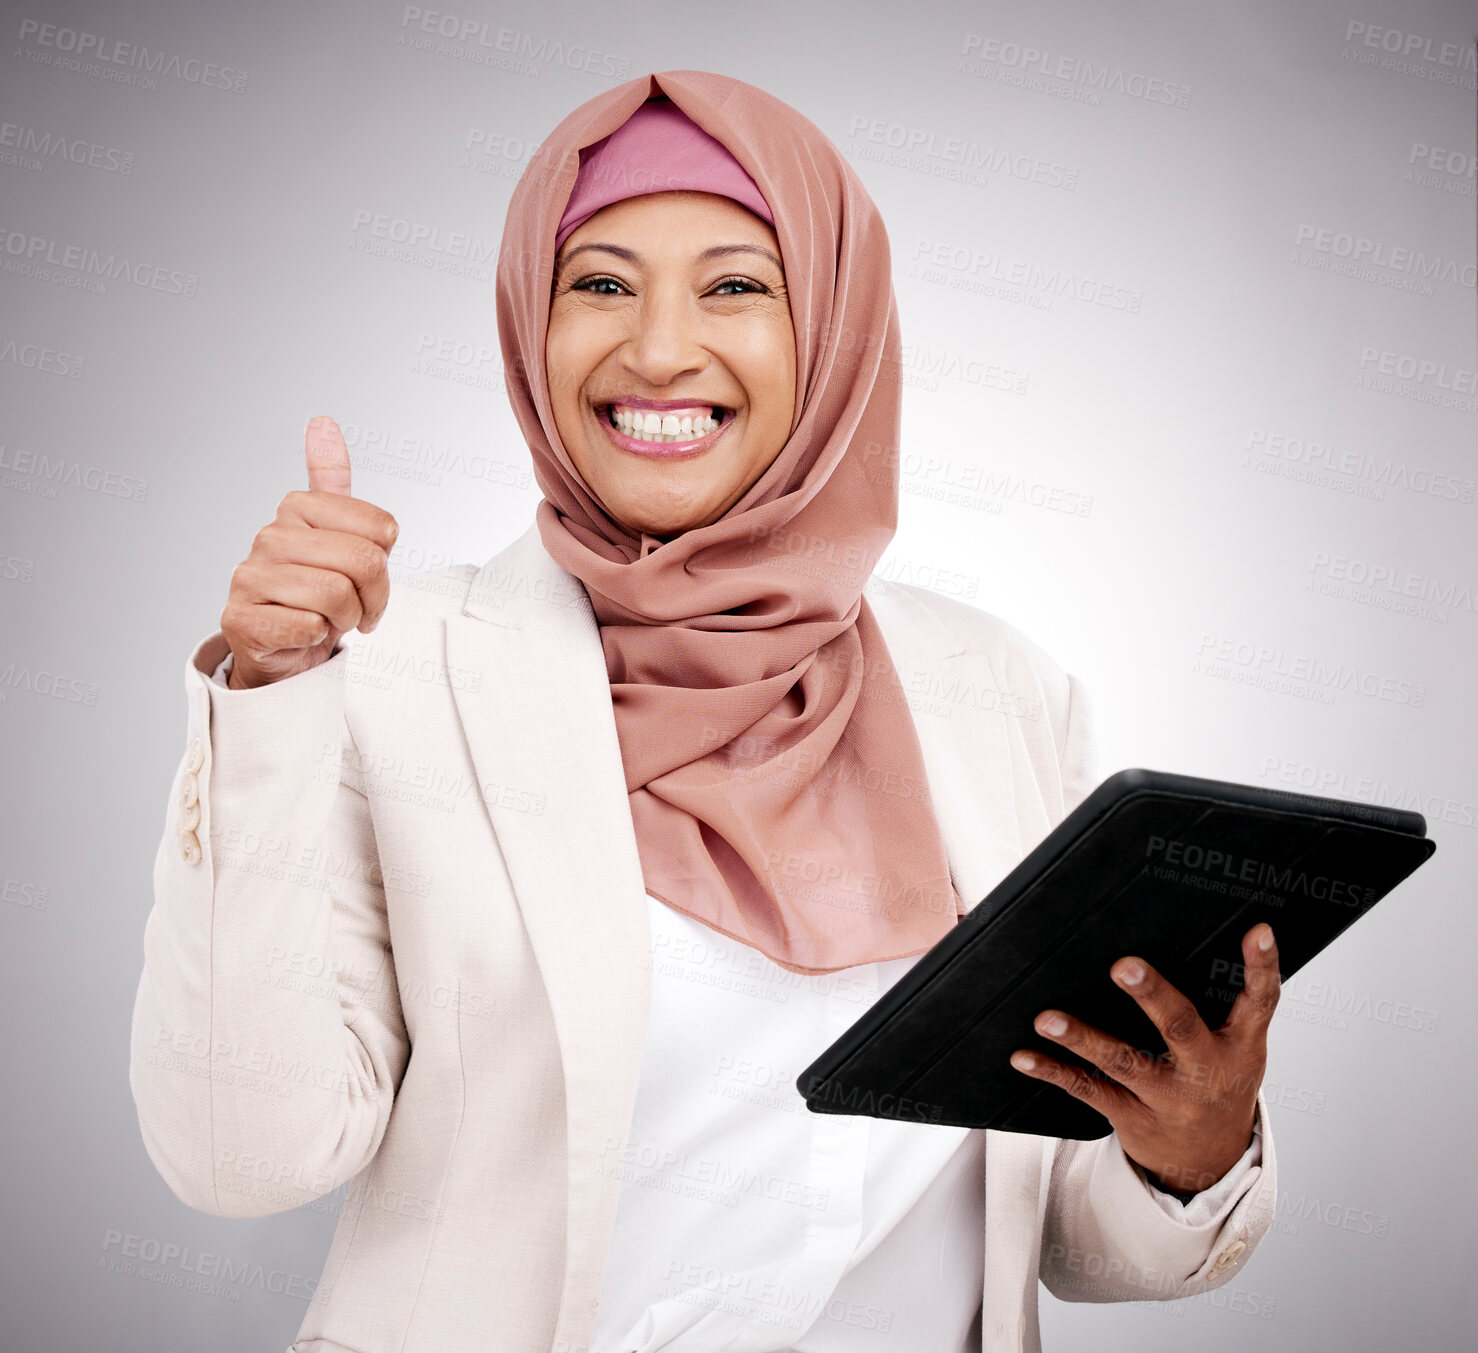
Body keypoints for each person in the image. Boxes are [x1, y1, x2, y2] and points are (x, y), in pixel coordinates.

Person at [129, 70, 1278, 1353]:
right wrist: (272, 703)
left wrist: (1190, 1150)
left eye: (734, 286)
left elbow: (1053, 1222)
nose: (659, 348)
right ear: (527, 324)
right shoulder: (392, 668)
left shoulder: (993, 689)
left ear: (835, 332)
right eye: (601, 284)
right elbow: (244, 1156)